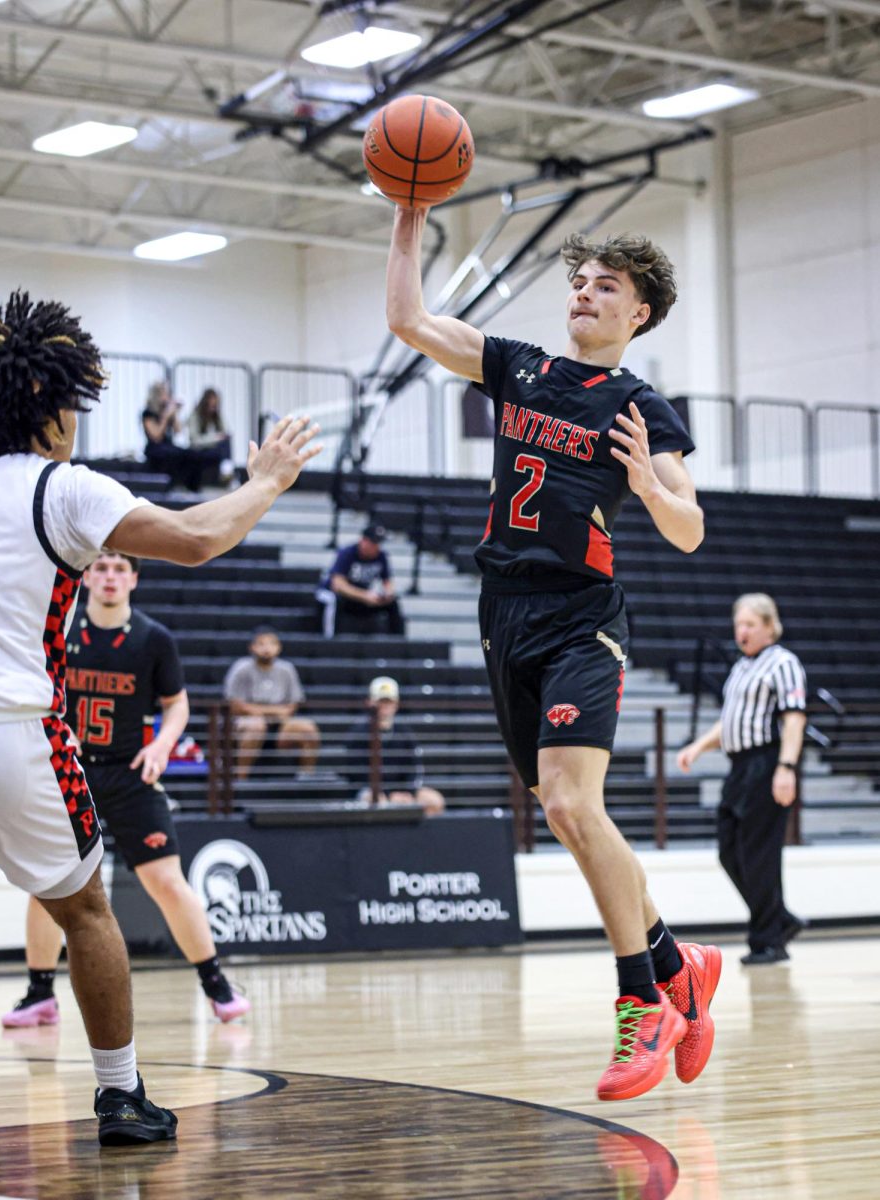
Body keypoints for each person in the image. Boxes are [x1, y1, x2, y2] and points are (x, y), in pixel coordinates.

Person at [387, 209, 720, 1102]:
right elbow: (411, 324)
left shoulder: (641, 406)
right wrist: (409, 219)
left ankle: (640, 1002)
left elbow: (690, 533)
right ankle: (676, 959)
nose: (584, 292)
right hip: (504, 614)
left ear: (638, 313)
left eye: (606, 285)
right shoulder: (521, 367)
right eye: (580, 281)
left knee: (576, 802)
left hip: (582, 615)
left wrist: (650, 484)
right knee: (565, 816)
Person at [0, 290, 319, 1144]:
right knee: (86, 911)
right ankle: (120, 1095)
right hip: (16, 725)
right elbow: (197, 537)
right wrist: (267, 481)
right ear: (56, 412)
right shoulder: (63, 487)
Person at [2, 551, 251, 1031]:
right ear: (87, 576)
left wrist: (162, 744)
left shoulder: (153, 638)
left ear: (134, 578)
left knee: (166, 881)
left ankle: (215, 982)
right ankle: (39, 992)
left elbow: (177, 706)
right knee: (47, 886)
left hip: (131, 774)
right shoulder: (61, 630)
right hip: (68, 769)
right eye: (101, 568)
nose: (110, 576)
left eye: (120, 569)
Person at [677, 593, 808, 965]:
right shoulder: (740, 668)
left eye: (750, 624)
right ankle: (779, 919)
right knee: (729, 851)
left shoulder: (783, 663)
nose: (742, 631)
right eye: (739, 624)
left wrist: (786, 768)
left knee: (759, 855)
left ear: (770, 627)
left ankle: (767, 940)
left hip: (766, 763)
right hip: (738, 767)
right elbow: (730, 722)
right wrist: (698, 747)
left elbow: (795, 719)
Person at [223, 627, 321, 779]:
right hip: (246, 723)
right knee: (257, 725)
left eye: (271, 644)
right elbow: (237, 706)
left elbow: (291, 707)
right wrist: (274, 710)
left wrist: (260, 709)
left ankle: (306, 777)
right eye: (261, 644)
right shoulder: (241, 668)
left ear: (279, 647)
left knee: (308, 728)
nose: (266, 648)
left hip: (279, 725)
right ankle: (240, 779)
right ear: (252, 647)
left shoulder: (287, 669)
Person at [344, 676, 445, 815]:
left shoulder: (405, 733)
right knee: (378, 802)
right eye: (381, 701)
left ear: (396, 704)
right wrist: (387, 794)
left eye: (389, 701)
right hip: (370, 790)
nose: (385, 706)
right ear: (369, 703)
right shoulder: (358, 734)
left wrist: (408, 792)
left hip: (401, 790)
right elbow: (357, 773)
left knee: (434, 801)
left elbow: (415, 768)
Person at [317, 524, 405, 637]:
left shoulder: (381, 556)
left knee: (392, 603)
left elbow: (387, 581)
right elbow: (337, 585)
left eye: (378, 544)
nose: (376, 547)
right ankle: (329, 639)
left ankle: (398, 643)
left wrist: (387, 594)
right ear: (363, 541)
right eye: (373, 543)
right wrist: (364, 596)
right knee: (334, 600)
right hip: (333, 594)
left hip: (359, 597)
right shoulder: (347, 553)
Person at [142, 379, 203, 493]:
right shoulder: (148, 413)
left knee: (193, 455)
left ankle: (192, 489)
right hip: (155, 449)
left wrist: (174, 414)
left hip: (168, 446)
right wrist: (165, 416)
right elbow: (156, 436)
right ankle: (170, 488)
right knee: (171, 456)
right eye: (164, 393)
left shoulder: (167, 411)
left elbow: (178, 431)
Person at [187, 387, 234, 486]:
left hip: (213, 450)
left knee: (225, 443)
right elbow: (195, 440)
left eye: (215, 405)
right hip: (198, 450)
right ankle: (226, 471)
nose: (213, 408)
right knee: (223, 444)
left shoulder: (216, 417)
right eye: (211, 405)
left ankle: (227, 472)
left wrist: (219, 417)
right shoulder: (195, 416)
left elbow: (226, 432)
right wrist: (215, 438)